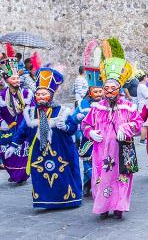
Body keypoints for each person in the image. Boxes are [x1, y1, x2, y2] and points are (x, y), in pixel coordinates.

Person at [81, 39, 143, 219]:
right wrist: (90, 132)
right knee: (101, 178)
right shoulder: (96, 107)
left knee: (121, 178)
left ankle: (119, 207)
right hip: (101, 152)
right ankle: (102, 207)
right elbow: (85, 124)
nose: (109, 91)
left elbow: (138, 123)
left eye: (113, 88)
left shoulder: (128, 106)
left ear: (119, 89)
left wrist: (127, 127)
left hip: (122, 151)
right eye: (106, 88)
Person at [5, 67, 82, 209]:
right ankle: (46, 201)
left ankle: (67, 200)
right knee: (41, 175)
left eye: (44, 94)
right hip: (39, 152)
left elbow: (72, 128)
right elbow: (22, 131)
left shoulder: (62, 111)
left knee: (62, 174)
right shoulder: (31, 112)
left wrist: (65, 126)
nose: (40, 97)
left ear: (51, 96)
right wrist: (13, 145)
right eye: (38, 94)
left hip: (61, 150)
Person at [0, 43, 33, 184]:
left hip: (23, 129)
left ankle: (21, 175)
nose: (17, 81)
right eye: (13, 79)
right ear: (7, 80)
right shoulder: (1, 95)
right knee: (7, 154)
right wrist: (3, 123)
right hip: (7, 129)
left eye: (18, 78)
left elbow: (32, 111)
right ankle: (13, 173)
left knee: (23, 153)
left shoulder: (26, 93)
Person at [72, 64, 104, 197]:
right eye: (95, 92)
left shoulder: (107, 103)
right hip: (87, 138)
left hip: (103, 137)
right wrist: (77, 118)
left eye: (100, 91)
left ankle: (101, 184)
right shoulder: (83, 103)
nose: (97, 94)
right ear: (90, 92)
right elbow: (74, 118)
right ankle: (87, 184)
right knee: (87, 161)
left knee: (102, 162)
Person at [136, 70, 148, 144]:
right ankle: (142, 140)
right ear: (144, 78)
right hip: (143, 107)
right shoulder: (142, 86)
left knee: (146, 124)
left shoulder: (141, 86)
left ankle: (145, 138)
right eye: (146, 77)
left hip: (143, 106)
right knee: (145, 124)